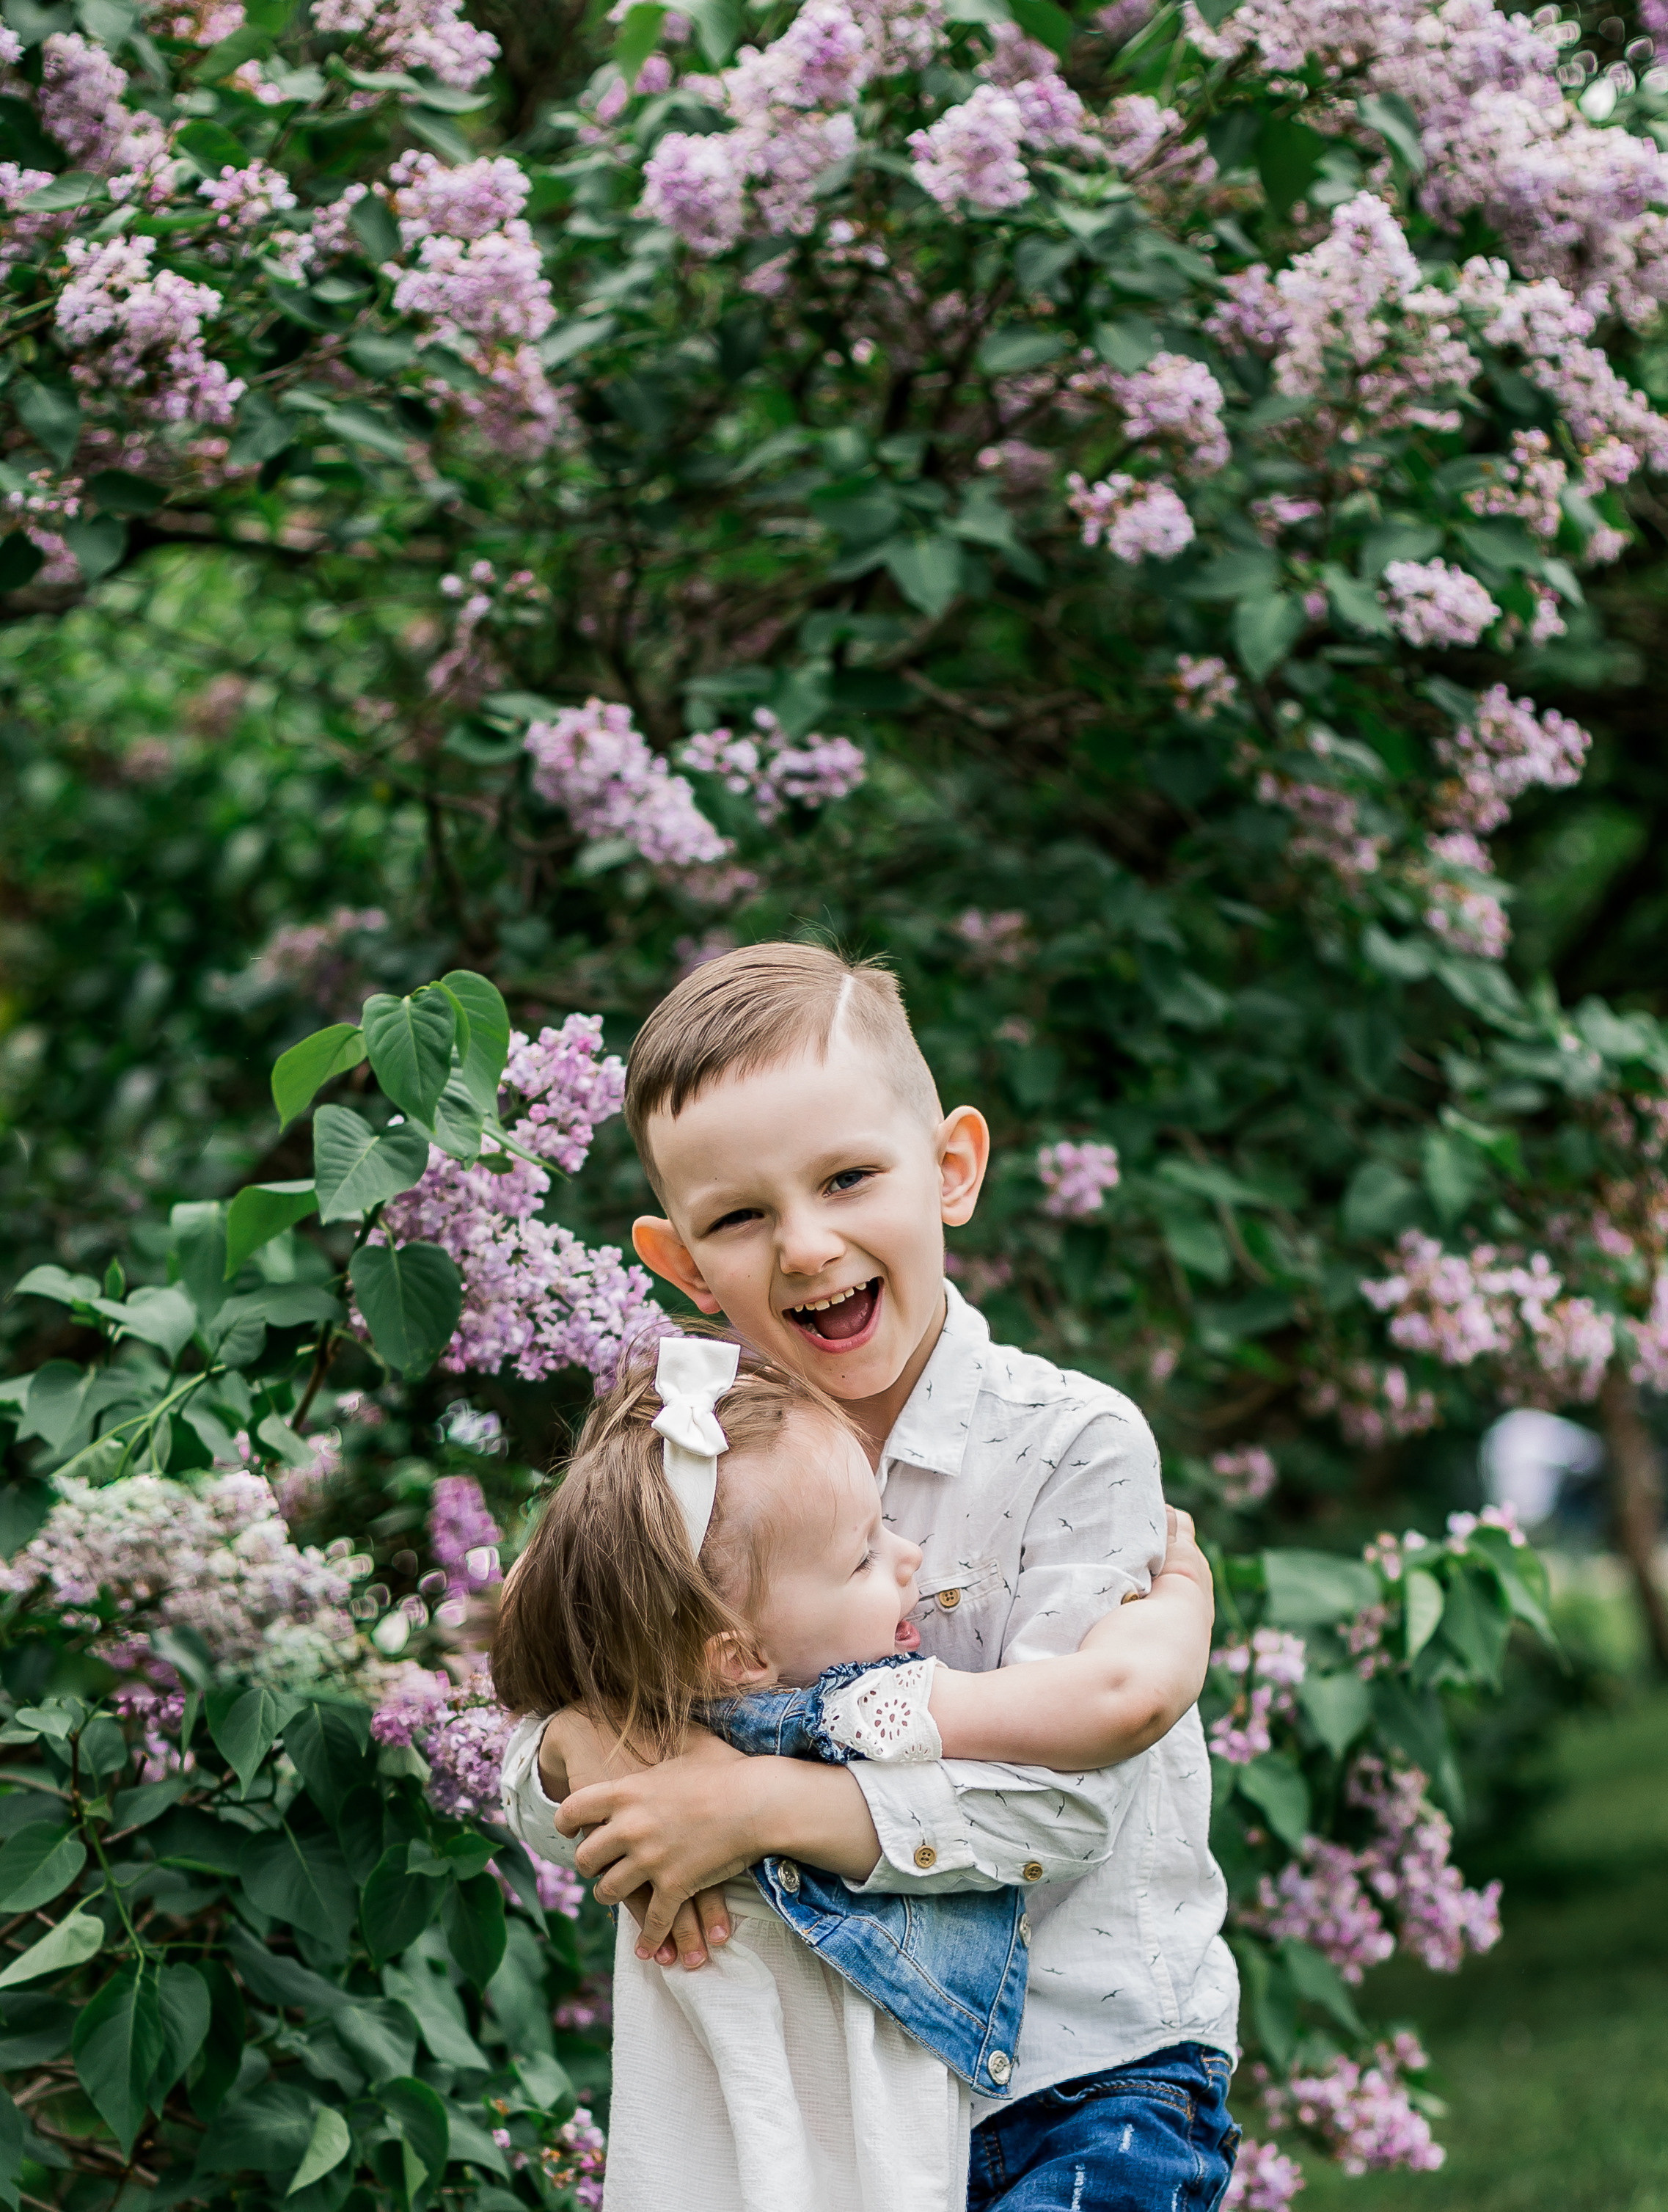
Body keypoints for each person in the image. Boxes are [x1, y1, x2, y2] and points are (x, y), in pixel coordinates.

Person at [520, 940, 1240, 2212]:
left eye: (849, 1177)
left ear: (950, 1168)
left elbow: (1063, 1804)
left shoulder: (1069, 1442)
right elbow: (522, 1734)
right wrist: (593, 1740)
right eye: (738, 1216)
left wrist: (753, 1806)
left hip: (1089, 2074)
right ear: (678, 1260)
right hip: (841, 2111)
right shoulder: (690, 1455)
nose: (805, 1245)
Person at [494, 1333, 1216, 2212]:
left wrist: (611, 1747)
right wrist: (1181, 1599)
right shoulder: (850, 1713)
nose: (909, 1555)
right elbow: (1112, 1702)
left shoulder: (645, 1706)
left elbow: (529, 1624)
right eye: (865, 1554)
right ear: (737, 1655)